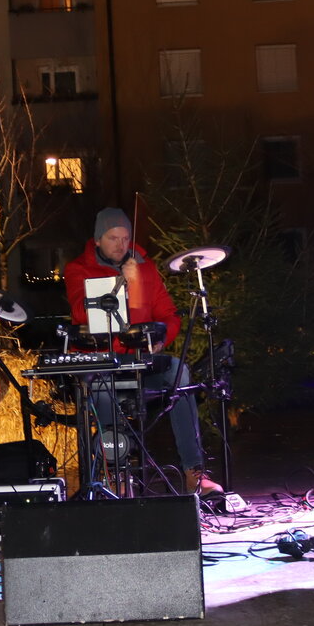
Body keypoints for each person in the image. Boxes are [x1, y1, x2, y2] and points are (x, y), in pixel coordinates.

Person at [64, 207, 216, 494]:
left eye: (125, 238)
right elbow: (81, 313)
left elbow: (169, 315)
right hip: (103, 360)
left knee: (179, 372)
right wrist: (124, 284)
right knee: (102, 389)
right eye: (113, 238)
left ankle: (193, 472)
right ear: (97, 240)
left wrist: (160, 339)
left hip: (139, 359)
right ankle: (116, 473)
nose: (120, 245)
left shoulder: (145, 268)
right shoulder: (78, 269)